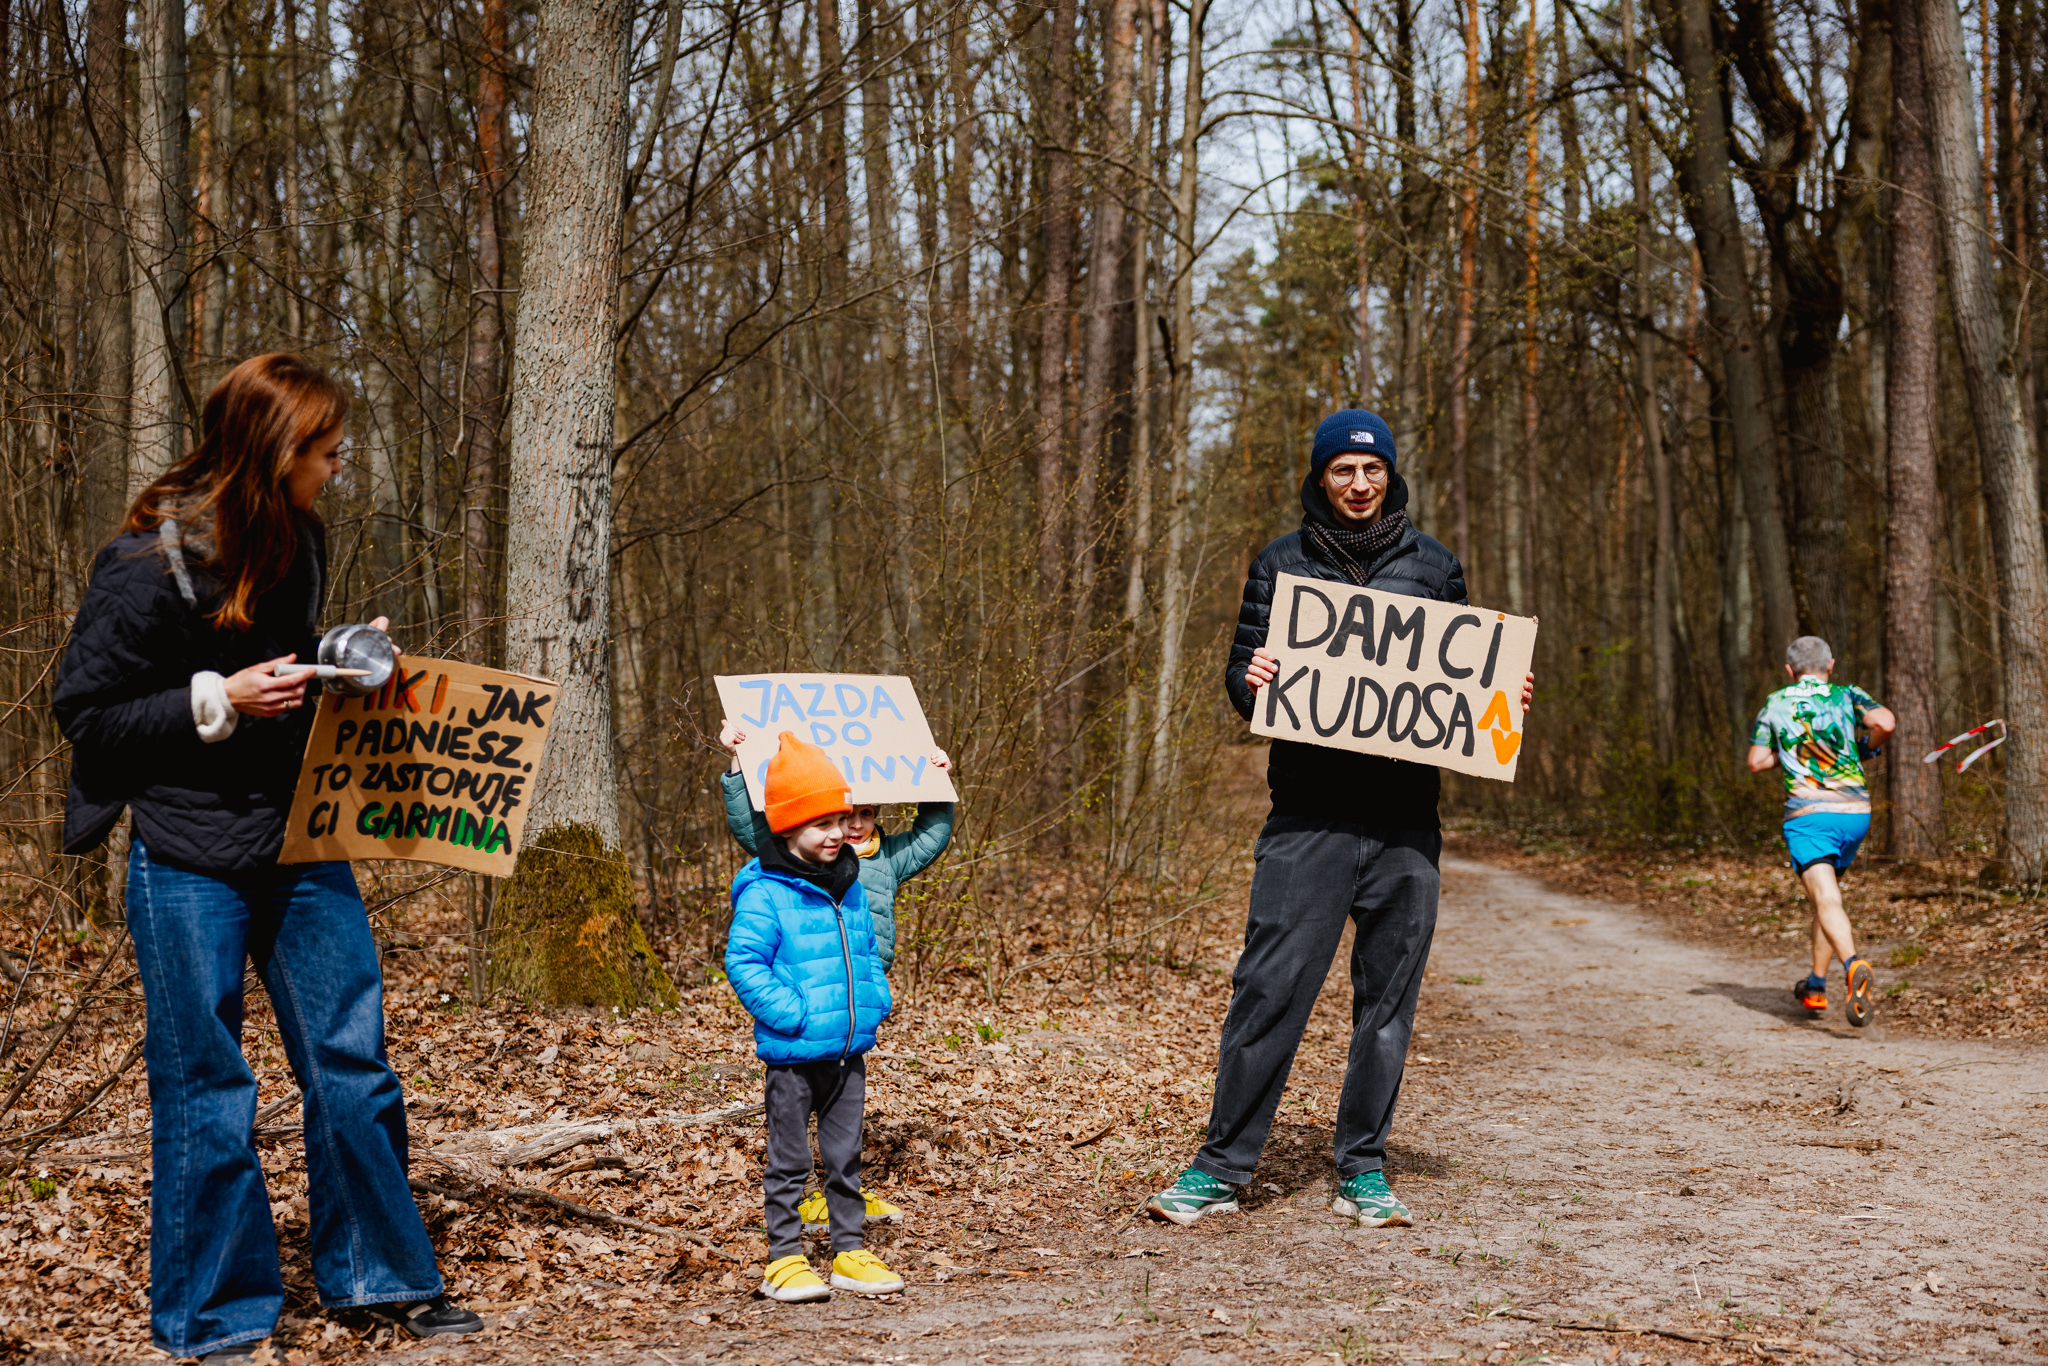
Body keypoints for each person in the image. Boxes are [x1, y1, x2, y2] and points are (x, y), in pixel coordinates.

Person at [52, 355, 480, 1361]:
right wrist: (219, 699)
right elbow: (87, 715)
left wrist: (346, 663)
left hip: (298, 837)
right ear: (276, 450)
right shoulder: (144, 564)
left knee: (352, 1065)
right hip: (184, 851)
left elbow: (286, 666)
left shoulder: (301, 537)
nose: (338, 466)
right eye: (326, 450)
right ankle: (214, 1317)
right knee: (207, 1087)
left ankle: (380, 1278)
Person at [1145, 409, 1532, 1231]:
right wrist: (1252, 678)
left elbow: (1465, 689)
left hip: (1404, 825)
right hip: (1307, 819)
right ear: (1321, 478)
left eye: (1372, 469)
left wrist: (1503, 695)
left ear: (1391, 475)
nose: (1359, 484)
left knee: (1387, 1003)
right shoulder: (1280, 563)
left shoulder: (1435, 566)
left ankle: (1363, 1167)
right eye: (1343, 471)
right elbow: (1240, 680)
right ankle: (1221, 1166)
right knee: (1268, 990)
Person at [718, 723, 953, 1233]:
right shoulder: (786, 868)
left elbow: (931, 837)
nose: (853, 826)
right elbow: (753, 828)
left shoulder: (885, 859)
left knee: (843, 1116)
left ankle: (843, 1204)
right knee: (797, 1111)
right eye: (846, 816)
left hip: (853, 996)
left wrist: (937, 784)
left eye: (864, 814)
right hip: (805, 996)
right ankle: (798, 1210)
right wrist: (738, 766)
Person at [725, 731, 905, 1303]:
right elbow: (744, 962)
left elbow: (867, 950)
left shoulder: (850, 884)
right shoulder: (765, 890)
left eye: (841, 820)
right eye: (821, 823)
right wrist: (794, 1014)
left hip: (849, 1049)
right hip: (795, 1053)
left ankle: (849, 1252)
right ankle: (783, 1260)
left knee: (845, 1156)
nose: (837, 833)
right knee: (790, 1160)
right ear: (787, 828)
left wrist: (875, 1000)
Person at [1746, 636, 1895, 1026]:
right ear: (1830, 664)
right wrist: (1866, 747)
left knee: (1826, 898)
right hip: (1855, 813)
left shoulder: (1776, 703)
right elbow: (1885, 723)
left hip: (1809, 815)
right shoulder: (1847, 694)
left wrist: (1791, 751)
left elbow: (1757, 761)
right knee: (1827, 900)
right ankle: (1814, 985)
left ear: (1789, 670)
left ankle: (1853, 964)